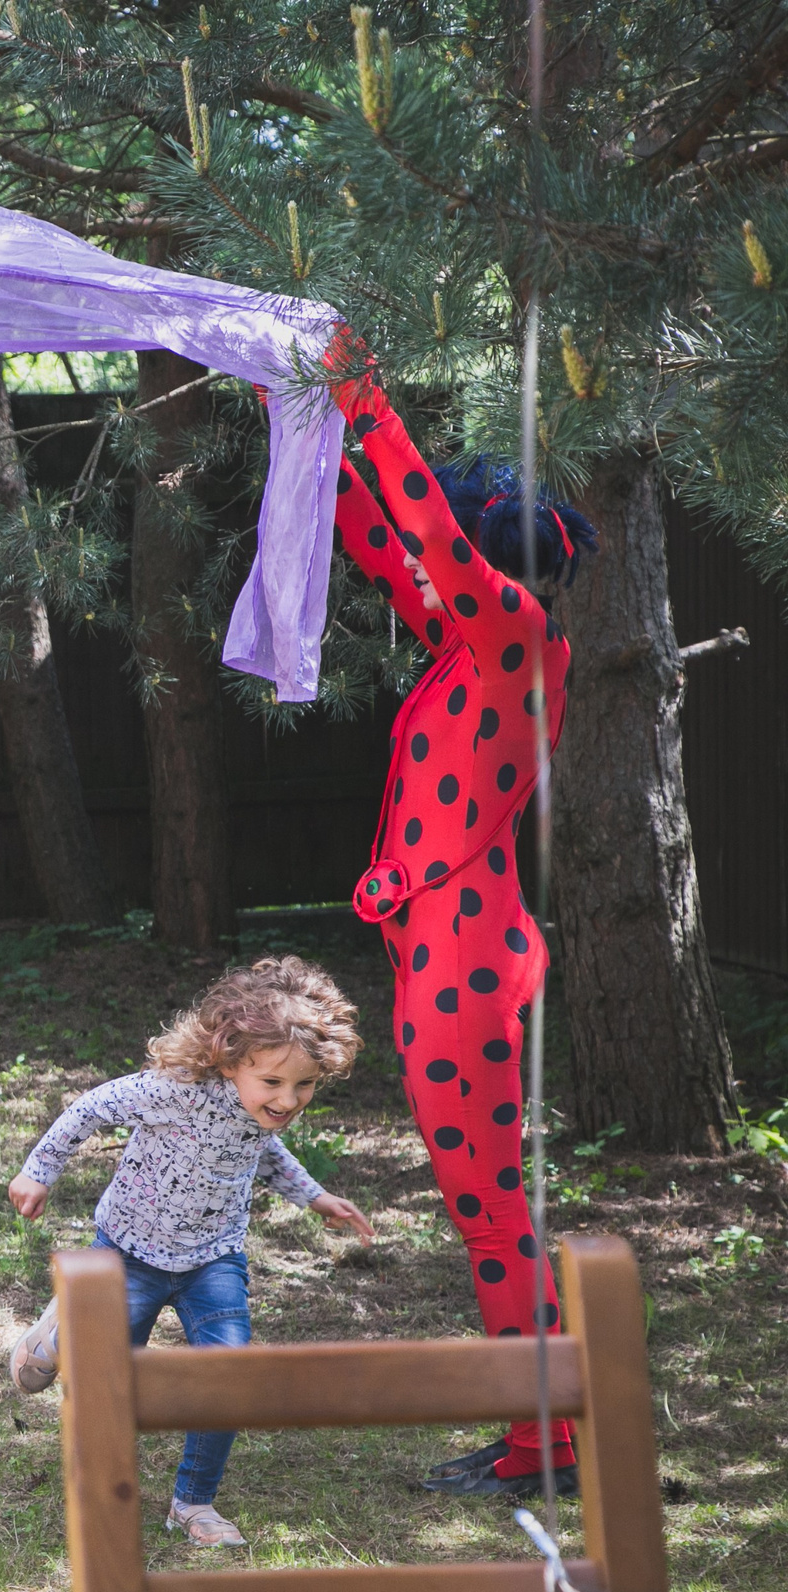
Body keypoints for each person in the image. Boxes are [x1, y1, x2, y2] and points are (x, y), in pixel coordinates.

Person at [328, 339, 592, 1497]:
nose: (431, 579)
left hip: (469, 949)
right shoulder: (465, 641)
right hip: (443, 939)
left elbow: (422, 535)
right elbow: (376, 536)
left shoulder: (511, 631)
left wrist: (359, 394)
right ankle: (538, 1434)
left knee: (489, 1210)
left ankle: (545, 1444)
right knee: (480, 1202)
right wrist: (293, 413)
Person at [2, 957, 376, 1547]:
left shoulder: (261, 1112)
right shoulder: (170, 1091)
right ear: (230, 1060)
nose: (287, 1100)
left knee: (227, 1373)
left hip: (213, 1260)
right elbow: (88, 1109)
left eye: (303, 1085)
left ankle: (192, 1503)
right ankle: (63, 1348)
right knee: (111, 1379)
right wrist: (38, 1172)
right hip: (128, 1254)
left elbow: (264, 1150)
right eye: (273, 1083)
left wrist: (316, 1196)